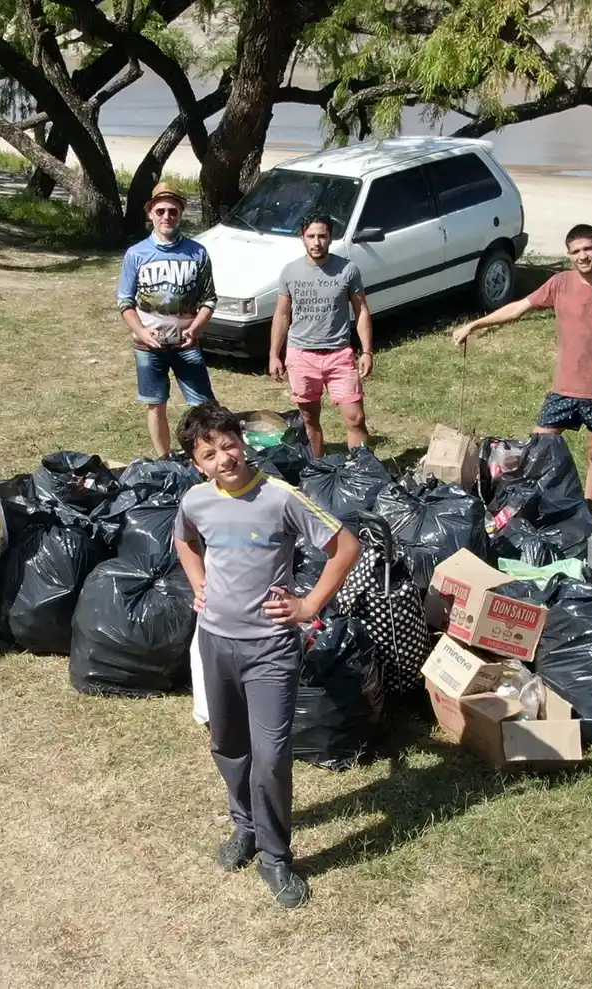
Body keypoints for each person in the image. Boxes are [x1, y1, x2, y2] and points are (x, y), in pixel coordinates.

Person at [173, 404, 360, 908]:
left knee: (272, 756)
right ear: (196, 463)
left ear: (243, 440)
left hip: (270, 649)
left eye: (228, 444)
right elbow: (184, 541)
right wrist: (199, 585)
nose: (223, 459)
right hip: (215, 640)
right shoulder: (195, 500)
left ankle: (275, 857)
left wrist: (309, 604)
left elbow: (345, 546)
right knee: (227, 743)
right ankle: (246, 826)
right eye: (208, 454)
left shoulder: (280, 497)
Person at [453, 223, 592, 508]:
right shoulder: (560, 283)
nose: (583, 256)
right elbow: (519, 307)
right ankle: (534, 500)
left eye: (588, 248)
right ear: (569, 255)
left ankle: (587, 507)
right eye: (576, 251)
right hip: (564, 387)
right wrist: (475, 325)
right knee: (537, 448)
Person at [118, 181, 218, 458]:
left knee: (204, 406)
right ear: (150, 212)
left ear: (181, 213)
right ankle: (164, 459)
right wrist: (141, 331)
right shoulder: (136, 254)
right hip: (148, 347)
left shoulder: (197, 253)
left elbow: (209, 299)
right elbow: (125, 302)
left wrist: (196, 329)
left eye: (172, 211)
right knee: (156, 404)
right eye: (160, 210)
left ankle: (204, 456)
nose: (166, 217)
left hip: (187, 345)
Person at [269, 213, 374, 458]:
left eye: (322, 236)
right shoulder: (290, 272)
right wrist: (275, 354)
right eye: (311, 236)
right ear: (302, 238)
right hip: (301, 356)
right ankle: (317, 468)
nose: (317, 242)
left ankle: (361, 471)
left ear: (331, 237)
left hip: (339, 354)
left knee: (355, 418)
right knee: (309, 418)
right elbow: (282, 315)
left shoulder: (347, 270)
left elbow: (361, 312)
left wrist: (367, 351)